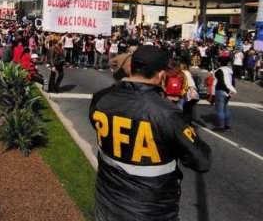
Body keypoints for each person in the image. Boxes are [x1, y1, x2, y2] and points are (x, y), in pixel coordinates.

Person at [89, 45, 211, 221]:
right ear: (161, 75)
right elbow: (202, 160)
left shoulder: (101, 97)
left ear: (130, 67)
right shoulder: (166, 112)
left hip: (106, 202)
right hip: (151, 210)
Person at [213, 55, 236, 132]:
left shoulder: (219, 71)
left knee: (220, 110)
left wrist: (227, 90)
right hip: (229, 91)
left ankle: (221, 127)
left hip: (220, 91)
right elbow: (233, 82)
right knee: (226, 109)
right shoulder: (230, 70)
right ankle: (227, 125)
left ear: (219, 62)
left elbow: (221, 82)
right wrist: (231, 90)